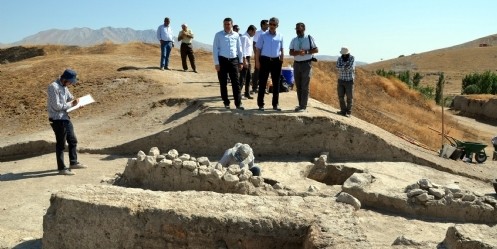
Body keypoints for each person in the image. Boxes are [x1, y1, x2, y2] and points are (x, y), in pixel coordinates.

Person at [47, 69, 87, 175]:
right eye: (70, 82)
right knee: (61, 144)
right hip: (57, 119)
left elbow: (70, 98)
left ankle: (73, 162)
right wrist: (71, 104)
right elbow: (57, 106)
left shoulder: (64, 86)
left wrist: (78, 103)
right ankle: (62, 169)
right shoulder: (53, 87)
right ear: (64, 79)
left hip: (65, 118)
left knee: (72, 140)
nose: (71, 84)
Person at [213, 17, 244, 110]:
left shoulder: (236, 35)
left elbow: (239, 49)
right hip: (222, 60)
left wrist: (241, 61)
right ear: (223, 25)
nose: (227, 26)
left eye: (228, 24)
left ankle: (238, 103)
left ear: (232, 25)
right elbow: (215, 49)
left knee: (236, 83)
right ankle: (226, 102)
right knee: (223, 83)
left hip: (234, 61)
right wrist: (216, 63)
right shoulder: (218, 35)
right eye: (225, 24)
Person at [255, 17, 284, 111]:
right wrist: (257, 62)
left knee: (276, 83)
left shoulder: (280, 36)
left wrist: (282, 59)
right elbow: (258, 49)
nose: (271, 26)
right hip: (264, 60)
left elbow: (282, 49)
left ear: (277, 26)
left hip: (276, 61)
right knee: (263, 83)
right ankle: (260, 105)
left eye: (273, 24)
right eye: (270, 24)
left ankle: (275, 105)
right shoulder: (263, 36)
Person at [289, 22, 318, 112]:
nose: (297, 30)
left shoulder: (309, 38)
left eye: (299, 29)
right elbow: (291, 52)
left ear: (304, 29)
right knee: (298, 85)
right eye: (296, 29)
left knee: (305, 85)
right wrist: (298, 52)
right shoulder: (294, 40)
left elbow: (316, 49)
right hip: (297, 64)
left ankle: (303, 106)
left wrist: (305, 52)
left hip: (306, 64)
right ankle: (300, 105)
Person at [336, 47, 356, 117]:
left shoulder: (352, 58)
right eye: (343, 54)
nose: (344, 55)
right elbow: (337, 67)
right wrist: (345, 66)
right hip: (341, 80)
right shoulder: (339, 58)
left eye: (345, 54)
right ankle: (343, 111)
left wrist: (342, 67)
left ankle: (348, 112)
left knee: (349, 97)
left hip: (349, 80)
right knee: (340, 96)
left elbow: (350, 68)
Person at [251, 19, 269, 94]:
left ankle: (263, 88)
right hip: (259, 54)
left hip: (266, 55)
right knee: (257, 70)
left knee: (265, 72)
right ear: (262, 25)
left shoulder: (268, 33)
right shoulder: (258, 33)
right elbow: (254, 43)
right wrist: (256, 54)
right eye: (267, 24)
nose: (268, 26)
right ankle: (254, 87)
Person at [239, 25, 257, 99]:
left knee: (248, 77)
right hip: (245, 58)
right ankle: (238, 94)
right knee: (243, 77)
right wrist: (244, 60)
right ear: (250, 30)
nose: (254, 34)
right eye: (254, 32)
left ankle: (247, 92)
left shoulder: (248, 38)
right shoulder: (244, 37)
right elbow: (242, 50)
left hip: (248, 58)